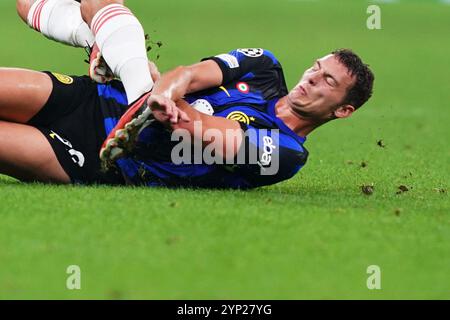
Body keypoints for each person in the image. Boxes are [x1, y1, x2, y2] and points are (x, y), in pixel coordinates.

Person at [0, 1, 375, 188]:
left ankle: (113, 50)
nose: (312, 78)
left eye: (327, 81)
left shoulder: (288, 154)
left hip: (100, 159)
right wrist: (157, 92)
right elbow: (189, 75)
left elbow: (207, 132)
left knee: (109, 17)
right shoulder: (263, 67)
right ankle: (113, 57)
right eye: (316, 68)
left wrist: (167, 107)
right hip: (94, 98)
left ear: (342, 110)